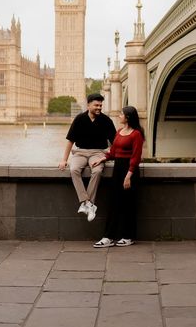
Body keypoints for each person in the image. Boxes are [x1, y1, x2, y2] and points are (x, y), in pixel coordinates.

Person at [91, 106, 144, 247]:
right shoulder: (120, 132)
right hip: (118, 169)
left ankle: (128, 236)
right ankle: (108, 237)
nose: (119, 116)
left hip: (129, 171)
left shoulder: (136, 134)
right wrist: (103, 158)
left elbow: (136, 157)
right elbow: (113, 152)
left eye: (121, 114)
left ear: (128, 117)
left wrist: (128, 176)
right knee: (114, 203)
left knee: (128, 204)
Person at [59, 93, 116, 222]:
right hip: (80, 152)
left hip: (98, 153)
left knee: (97, 171)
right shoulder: (79, 119)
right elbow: (70, 141)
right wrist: (64, 160)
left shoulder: (106, 121)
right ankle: (87, 202)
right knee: (74, 170)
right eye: (96, 105)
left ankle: (87, 204)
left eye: (101, 105)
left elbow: (115, 143)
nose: (99, 108)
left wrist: (107, 155)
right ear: (88, 105)